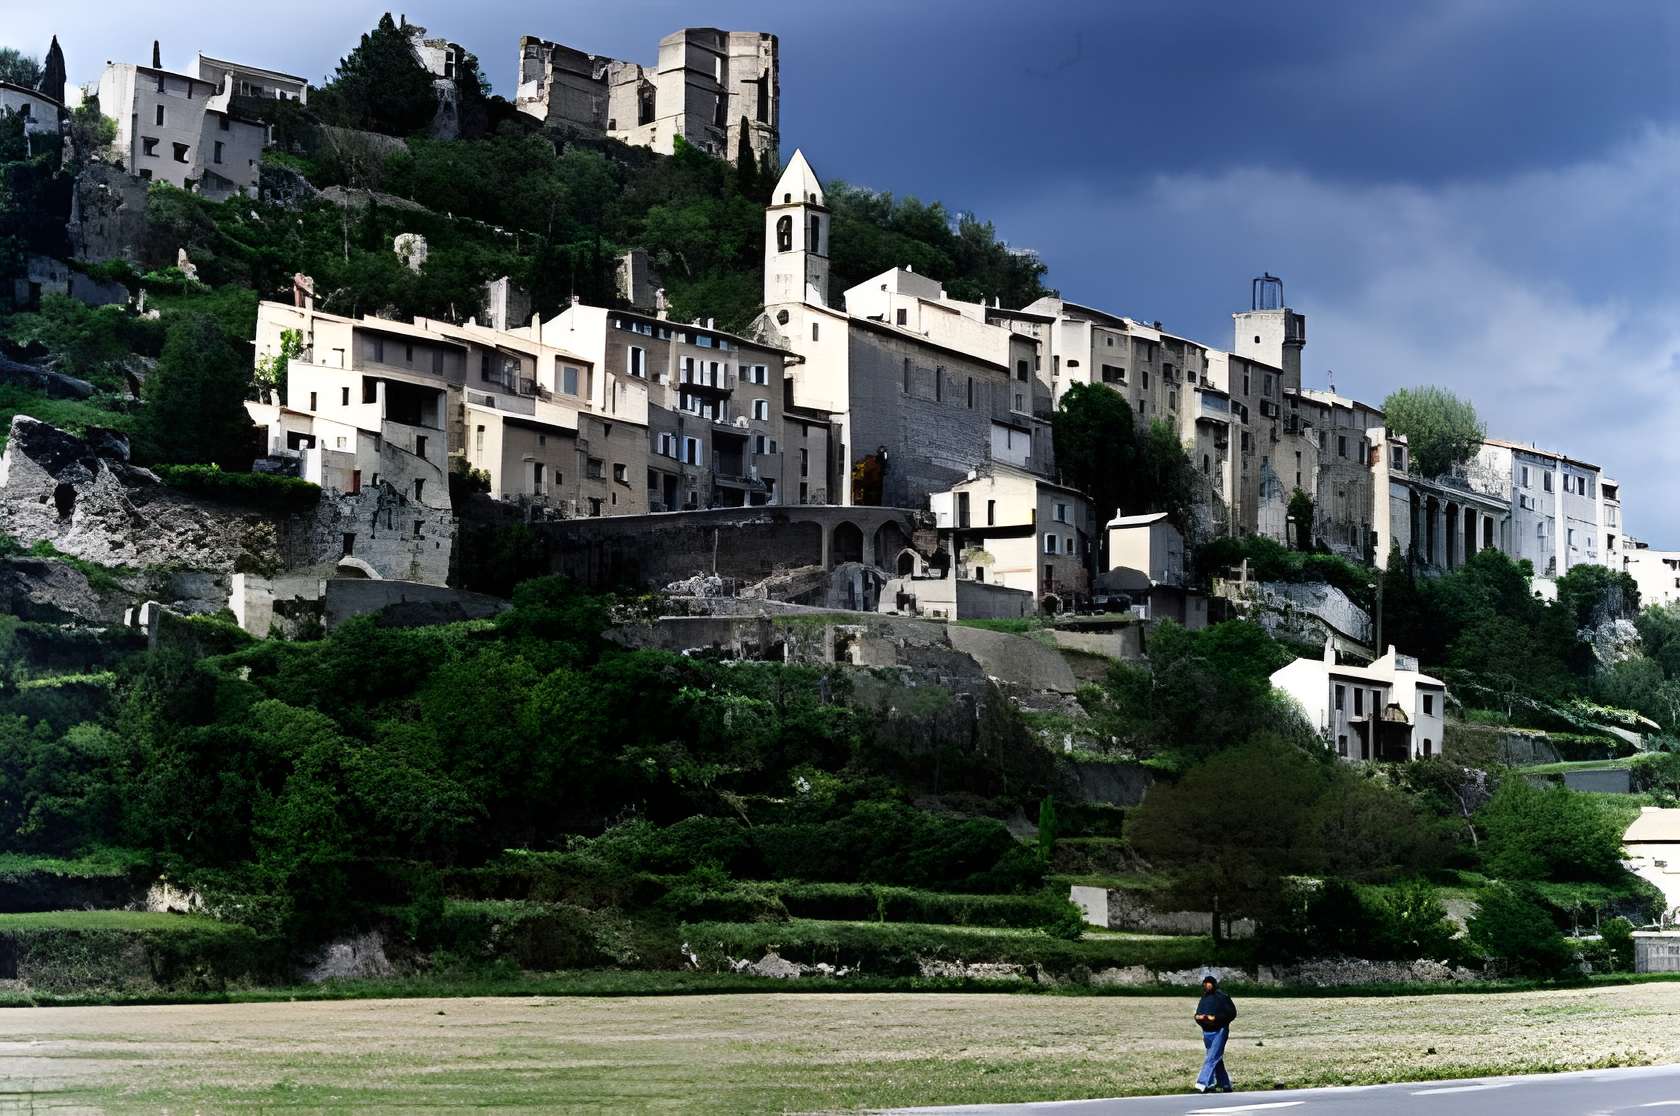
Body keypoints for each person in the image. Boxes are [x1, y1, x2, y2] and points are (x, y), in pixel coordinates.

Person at [1192, 973, 1236, 1094]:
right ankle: (1225, 1084)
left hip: (1220, 1031)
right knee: (1216, 1058)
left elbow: (1231, 1014)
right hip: (1207, 1032)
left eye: (1208, 983)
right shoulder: (1204, 998)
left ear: (1214, 984)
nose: (1206, 985)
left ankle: (1202, 1083)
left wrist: (1215, 1018)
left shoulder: (1222, 997)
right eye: (1205, 983)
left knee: (1211, 1057)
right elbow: (1198, 1013)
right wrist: (1199, 1018)